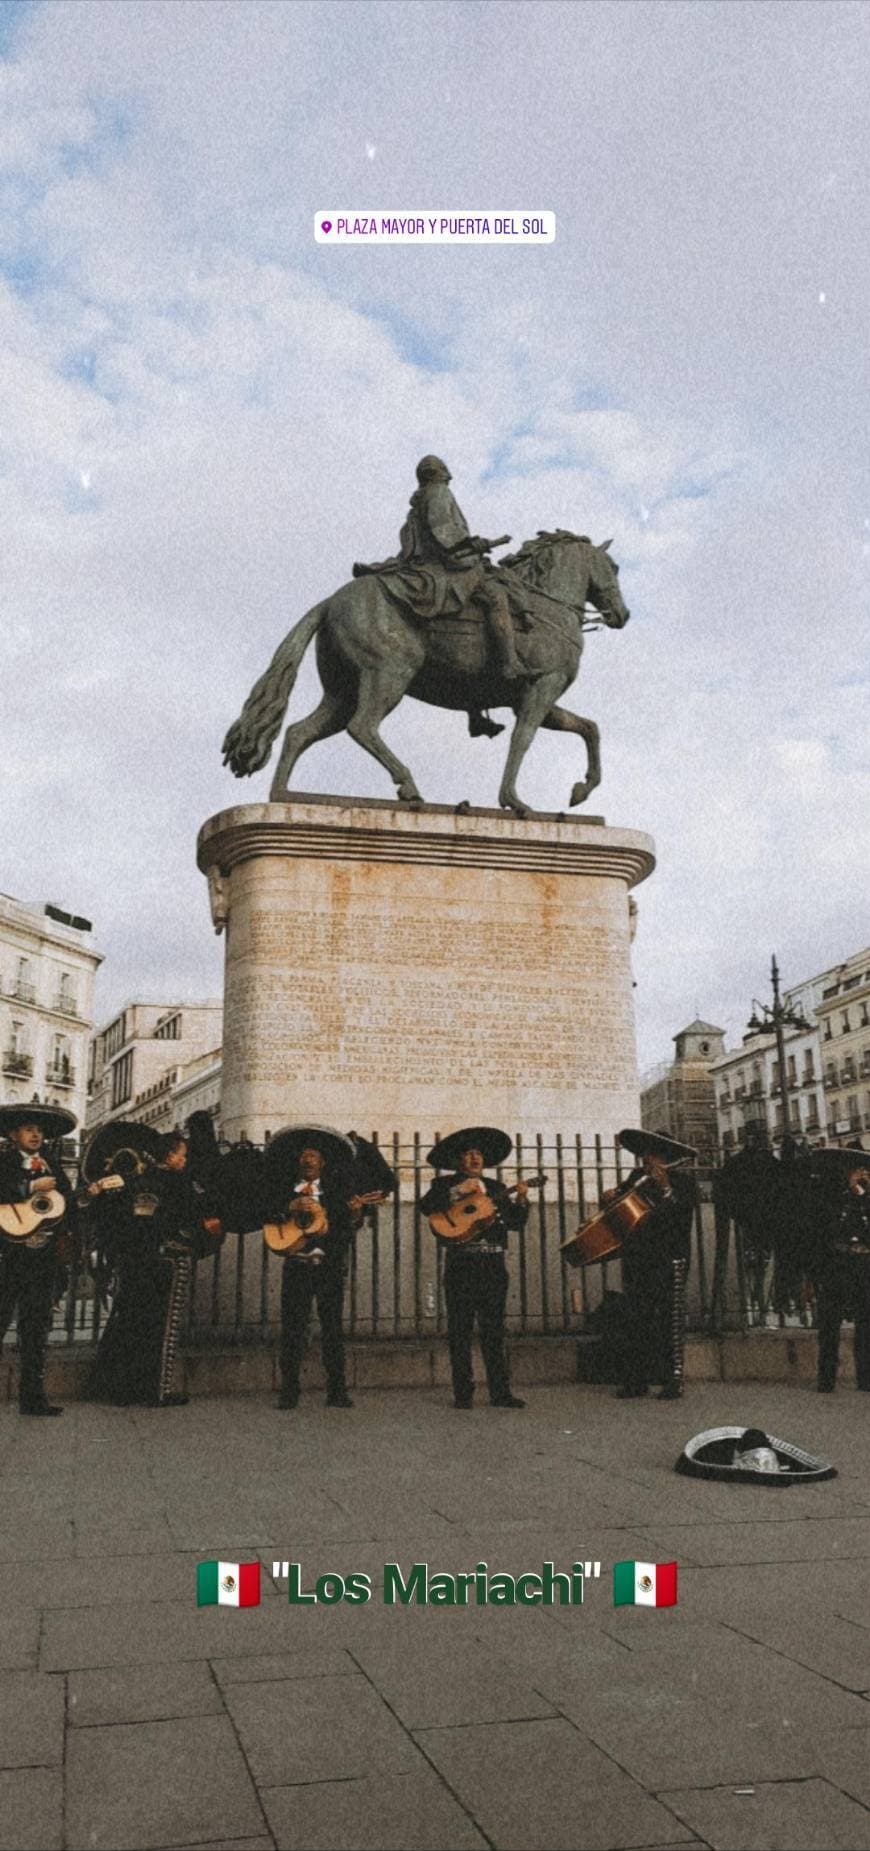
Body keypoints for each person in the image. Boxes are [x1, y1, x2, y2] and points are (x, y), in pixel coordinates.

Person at [354, 454, 532, 733]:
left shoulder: (420, 500)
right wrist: (476, 543)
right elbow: (443, 532)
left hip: (441, 562)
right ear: (438, 473)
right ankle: (509, 662)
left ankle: (476, 712)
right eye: (445, 469)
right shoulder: (438, 493)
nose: (450, 474)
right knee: (497, 595)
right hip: (446, 567)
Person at [84, 1125, 220, 1407]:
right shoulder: (179, 1184)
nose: (185, 1160)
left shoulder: (135, 1181)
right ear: (169, 1156)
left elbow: (117, 1218)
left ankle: (117, 1388)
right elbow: (189, 1216)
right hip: (167, 1259)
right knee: (163, 1325)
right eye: (182, 1155)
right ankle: (157, 1389)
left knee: (130, 1319)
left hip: (134, 1259)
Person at [420, 1126, 528, 1409]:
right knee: (460, 1330)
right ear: (458, 1161)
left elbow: (516, 1223)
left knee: (494, 1331)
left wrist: (522, 1199)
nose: (474, 1158)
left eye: (478, 1154)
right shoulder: (443, 1185)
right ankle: (463, 1394)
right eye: (468, 1154)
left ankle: (500, 1393)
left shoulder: (495, 1188)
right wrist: (457, 1191)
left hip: (492, 1264)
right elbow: (426, 1206)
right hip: (461, 1263)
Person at [265, 1126, 363, 1410]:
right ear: (298, 1163)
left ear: (322, 1163)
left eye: (314, 1156)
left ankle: (337, 1390)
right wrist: (288, 1207)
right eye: (304, 1156)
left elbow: (349, 1227)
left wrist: (355, 1214)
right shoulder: (285, 1192)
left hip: (328, 1267)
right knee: (293, 1329)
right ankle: (289, 1391)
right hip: (297, 1266)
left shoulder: (336, 1193)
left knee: (333, 1329)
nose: (308, 1160)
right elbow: (268, 1215)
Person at [0, 1103, 78, 1415]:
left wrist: (88, 1196)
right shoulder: (4, 1161)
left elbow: (69, 1201)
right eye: (29, 1129)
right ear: (13, 1134)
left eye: (40, 1131)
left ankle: (33, 1399)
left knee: (36, 1329)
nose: (36, 1135)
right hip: (9, 1255)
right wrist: (30, 1186)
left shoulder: (52, 1165)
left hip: (43, 1259)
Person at [612, 1129, 696, 1400]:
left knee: (669, 1319)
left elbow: (681, 1216)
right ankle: (637, 1380)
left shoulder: (684, 1181)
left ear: (666, 1156)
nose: (648, 1158)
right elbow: (622, 1208)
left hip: (670, 1257)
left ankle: (673, 1379)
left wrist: (666, 1189)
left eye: (655, 1154)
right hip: (639, 1255)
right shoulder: (636, 1178)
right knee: (636, 1317)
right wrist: (611, 1199)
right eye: (646, 1153)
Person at [808, 1148, 870, 1394]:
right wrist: (848, 1193)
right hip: (837, 1263)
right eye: (856, 1170)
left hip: (863, 1262)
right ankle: (826, 1378)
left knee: (866, 1322)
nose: (860, 1174)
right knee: (830, 1323)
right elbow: (829, 1227)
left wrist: (861, 1195)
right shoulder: (831, 1197)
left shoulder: (866, 1198)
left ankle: (865, 1378)